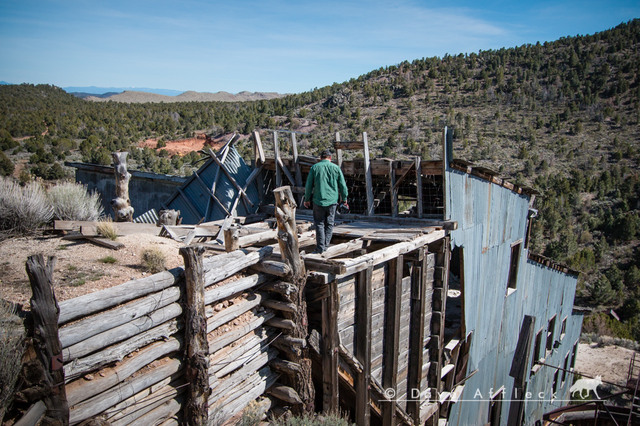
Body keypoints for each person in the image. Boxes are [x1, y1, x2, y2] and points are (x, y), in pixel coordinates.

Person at [304, 149, 348, 254]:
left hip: (318, 200)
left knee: (319, 223)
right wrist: (344, 199)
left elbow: (308, 186)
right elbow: (343, 186)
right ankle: (326, 246)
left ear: (320, 158)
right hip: (332, 200)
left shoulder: (314, 168)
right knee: (330, 223)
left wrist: (306, 199)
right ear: (330, 158)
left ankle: (320, 247)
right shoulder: (336, 168)